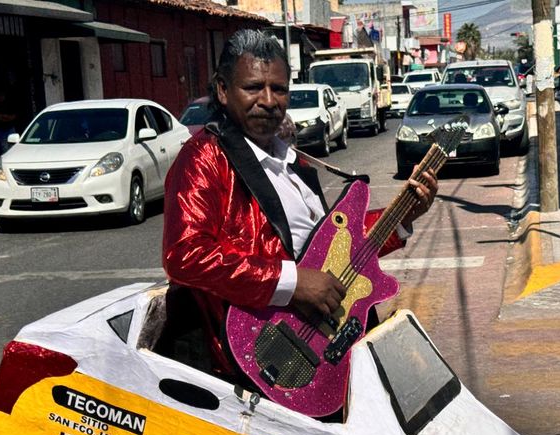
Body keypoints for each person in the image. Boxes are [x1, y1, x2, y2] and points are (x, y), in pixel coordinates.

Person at [161, 30, 437, 395]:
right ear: (223, 90)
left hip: (325, 345)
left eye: (279, 89)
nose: (269, 100)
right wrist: (291, 283)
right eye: (253, 87)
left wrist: (402, 216)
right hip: (264, 357)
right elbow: (186, 256)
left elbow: (331, 250)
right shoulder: (205, 158)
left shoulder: (290, 160)